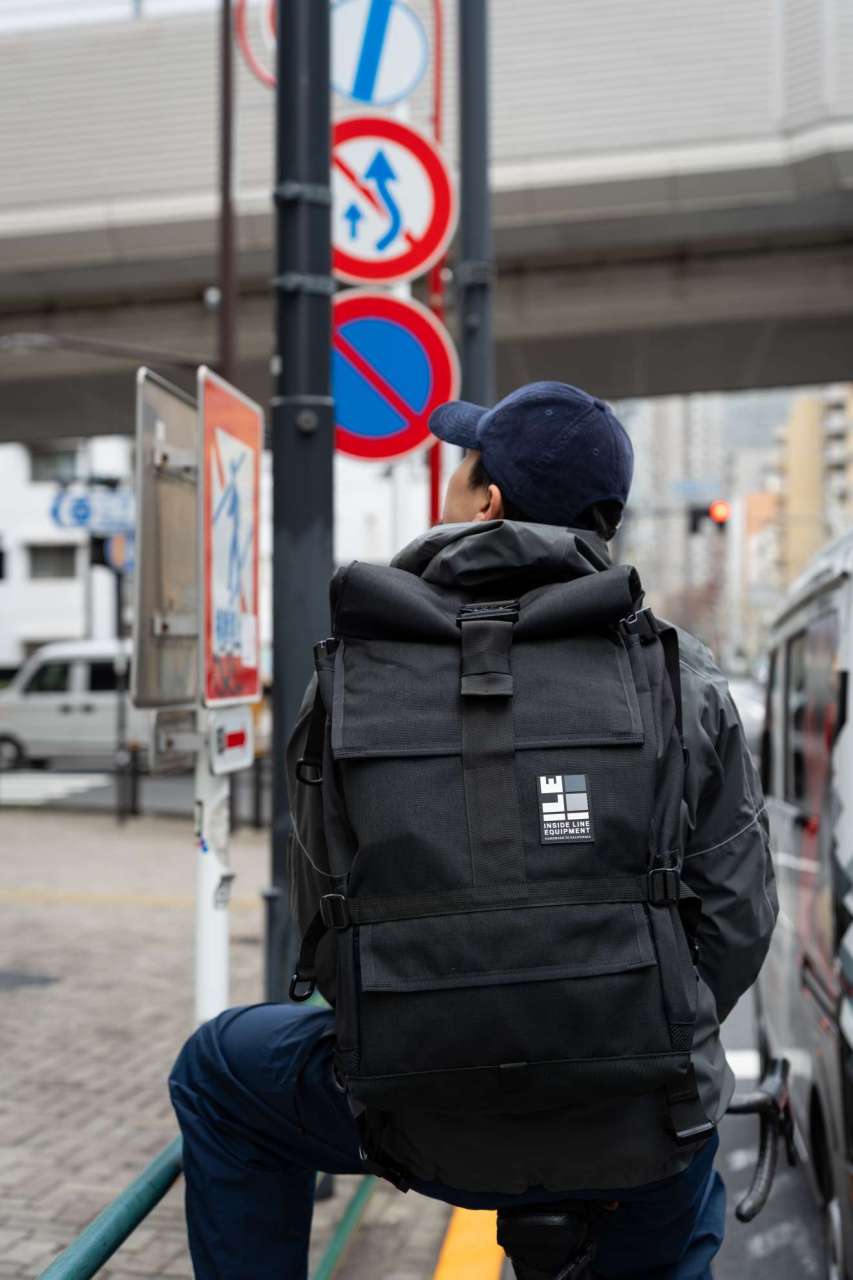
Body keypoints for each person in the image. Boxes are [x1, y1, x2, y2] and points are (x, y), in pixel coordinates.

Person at [170, 381, 778, 1280]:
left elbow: (321, 921)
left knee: (219, 1072)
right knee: (674, 1162)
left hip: (414, 1110)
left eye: (462, 469)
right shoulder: (677, 671)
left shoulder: (353, 672)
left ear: (487, 502)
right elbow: (736, 921)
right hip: (634, 1114)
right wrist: (613, 1034)